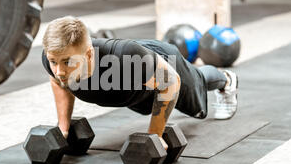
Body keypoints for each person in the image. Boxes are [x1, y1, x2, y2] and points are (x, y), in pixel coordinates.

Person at [41, 16, 238, 151]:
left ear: (89, 54)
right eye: (54, 62)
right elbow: (57, 82)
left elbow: (170, 81)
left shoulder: (127, 57)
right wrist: (63, 127)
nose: (59, 71)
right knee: (145, 106)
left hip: (164, 66)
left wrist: (155, 135)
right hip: (133, 90)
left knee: (199, 86)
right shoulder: (53, 58)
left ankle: (227, 80)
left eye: (68, 62)